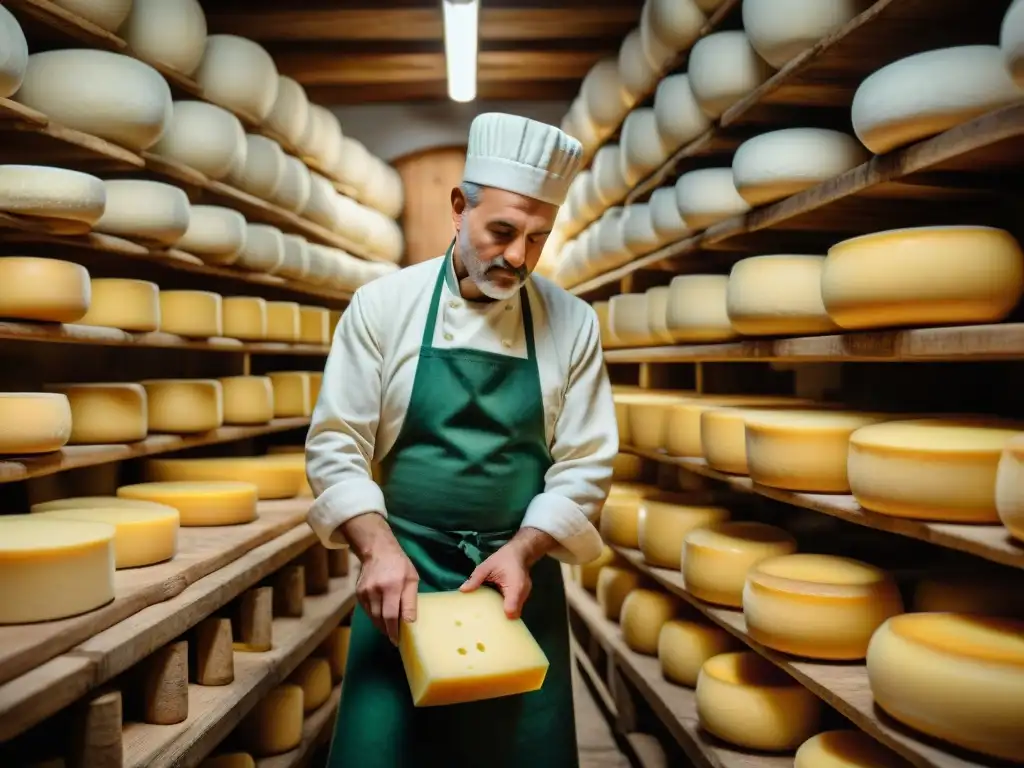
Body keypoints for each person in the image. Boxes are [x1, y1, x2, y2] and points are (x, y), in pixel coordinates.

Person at [305, 112, 618, 768]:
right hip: (402, 581)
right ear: (458, 206)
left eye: (537, 238)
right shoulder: (383, 306)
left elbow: (586, 463)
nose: (518, 257)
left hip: (513, 589)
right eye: (502, 231)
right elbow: (337, 445)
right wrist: (379, 550)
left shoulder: (573, 323)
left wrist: (527, 551)